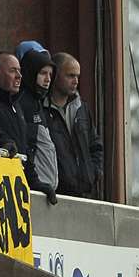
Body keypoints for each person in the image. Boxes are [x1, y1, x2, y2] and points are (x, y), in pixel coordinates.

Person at [46, 52, 102, 199]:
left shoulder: (82, 109)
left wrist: (93, 173)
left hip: (85, 192)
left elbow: (95, 145)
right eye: (70, 75)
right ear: (55, 75)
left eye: (77, 76)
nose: (76, 81)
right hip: (56, 194)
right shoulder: (41, 109)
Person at [16, 47, 60, 200]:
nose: (48, 79)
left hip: (46, 189)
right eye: (43, 74)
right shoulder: (20, 102)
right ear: (30, 73)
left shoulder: (38, 103)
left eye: (50, 74)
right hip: (31, 188)